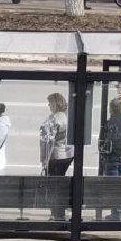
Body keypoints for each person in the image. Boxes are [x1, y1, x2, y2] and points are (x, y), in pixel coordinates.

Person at [40, 92, 73, 221]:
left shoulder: (55, 118)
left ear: (56, 103)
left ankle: (57, 213)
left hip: (56, 155)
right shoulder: (66, 116)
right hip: (66, 154)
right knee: (59, 183)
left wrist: (45, 159)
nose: (49, 105)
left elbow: (49, 141)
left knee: (53, 185)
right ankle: (59, 212)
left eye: (50, 103)